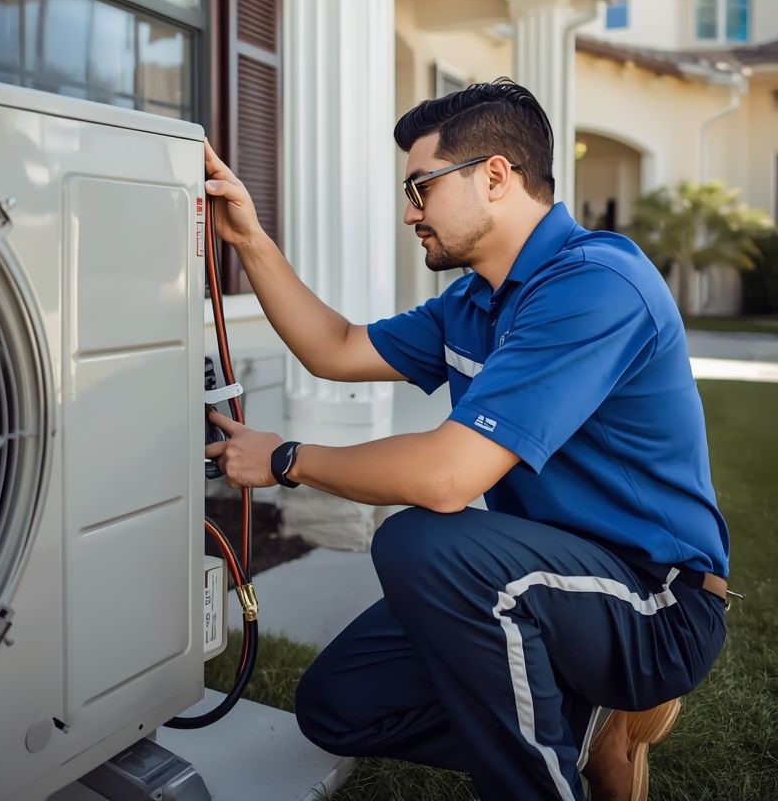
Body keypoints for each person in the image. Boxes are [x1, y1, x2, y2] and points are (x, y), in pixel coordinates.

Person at [202, 79, 730, 801]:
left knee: (421, 543)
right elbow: (337, 347)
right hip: (542, 585)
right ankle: (584, 725)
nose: (409, 212)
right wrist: (251, 240)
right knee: (338, 702)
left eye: (421, 187)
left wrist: (287, 460)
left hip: (656, 604)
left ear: (494, 177)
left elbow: (448, 477)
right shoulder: (472, 300)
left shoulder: (598, 284)